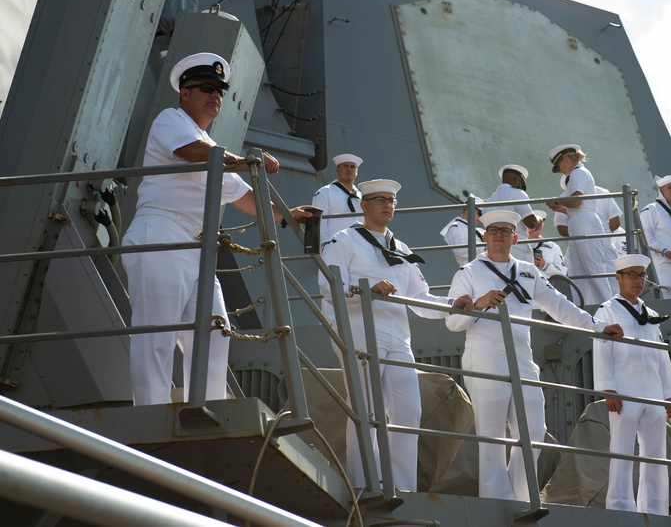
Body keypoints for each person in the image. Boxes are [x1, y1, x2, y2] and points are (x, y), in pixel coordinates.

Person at [122, 52, 312, 406]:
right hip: (160, 234)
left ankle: (206, 408)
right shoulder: (171, 121)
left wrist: (288, 215)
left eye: (220, 90)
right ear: (185, 94)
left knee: (215, 330)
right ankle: (149, 412)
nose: (216, 95)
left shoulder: (214, 149)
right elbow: (194, 152)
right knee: (157, 336)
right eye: (206, 87)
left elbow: (246, 198)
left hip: (197, 247)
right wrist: (243, 160)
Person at [446, 210, 624, 501]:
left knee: (534, 432)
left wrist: (598, 326)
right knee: (491, 436)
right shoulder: (468, 273)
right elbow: (452, 323)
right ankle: (496, 501)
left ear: (515, 238)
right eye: (493, 231)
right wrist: (478, 304)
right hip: (485, 358)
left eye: (505, 231)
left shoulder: (528, 271)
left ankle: (522, 497)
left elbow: (561, 307)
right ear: (485, 237)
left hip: (522, 359)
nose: (499, 235)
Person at [319, 179, 473, 491]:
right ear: (364, 205)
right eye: (379, 200)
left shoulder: (401, 249)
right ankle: (365, 484)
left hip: (398, 336)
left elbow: (421, 298)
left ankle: (402, 487)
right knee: (366, 406)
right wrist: (366, 289)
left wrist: (452, 304)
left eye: (391, 201)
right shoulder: (344, 240)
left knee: (408, 409)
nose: (387, 205)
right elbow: (328, 284)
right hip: (358, 326)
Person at [593, 254, 671, 515]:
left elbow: (662, 356)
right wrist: (607, 388)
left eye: (641, 276)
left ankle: (655, 509)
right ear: (618, 278)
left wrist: (669, 394)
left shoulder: (651, 314)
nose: (637, 280)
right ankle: (620, 508)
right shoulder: (607, 310)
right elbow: (601, 348)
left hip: (652, 391)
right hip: (625, 390)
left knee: (655, 456)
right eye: (632, 275)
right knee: (622, 451)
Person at [545, 145, 616, 304]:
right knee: (578, 271)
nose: (561, 170)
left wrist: (557, 201)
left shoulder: (579, 172)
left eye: (560, 166)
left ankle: (609, 308)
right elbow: (577, 206)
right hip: (578, 221)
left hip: (585, 223)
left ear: (566, 159)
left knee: (593, 267)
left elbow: (576, 201)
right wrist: (561, 208)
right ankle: (585, 308)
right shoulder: (577, 174)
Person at [487, 164, 540, 262]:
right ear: (516, 180)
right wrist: (537, 220)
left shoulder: (491, 199)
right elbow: (531, 224)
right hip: (516, 246)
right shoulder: (517, 193)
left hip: (494, 247)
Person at [311, 153, 363, 245]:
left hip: (360, 248)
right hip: (336, 248)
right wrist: (326, 246)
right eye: (345, 166)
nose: (349, 169)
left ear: (357, 171)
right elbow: (320, 224)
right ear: (337, 170)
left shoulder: (362, 197)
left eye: (352, 167)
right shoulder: (324, 193)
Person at [439, 197, 484, 266]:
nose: (481, 218)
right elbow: (461, 250)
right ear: (470, 209)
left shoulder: (477, 230)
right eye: (480, 213)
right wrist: (483, 244)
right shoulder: (455, 227)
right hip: (470, 271)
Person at [524, 209, 567, 277]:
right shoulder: (515, 244)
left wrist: (545, 266)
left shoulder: (552, 247)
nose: (536, 228)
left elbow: (564, 271)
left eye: (538, 224)